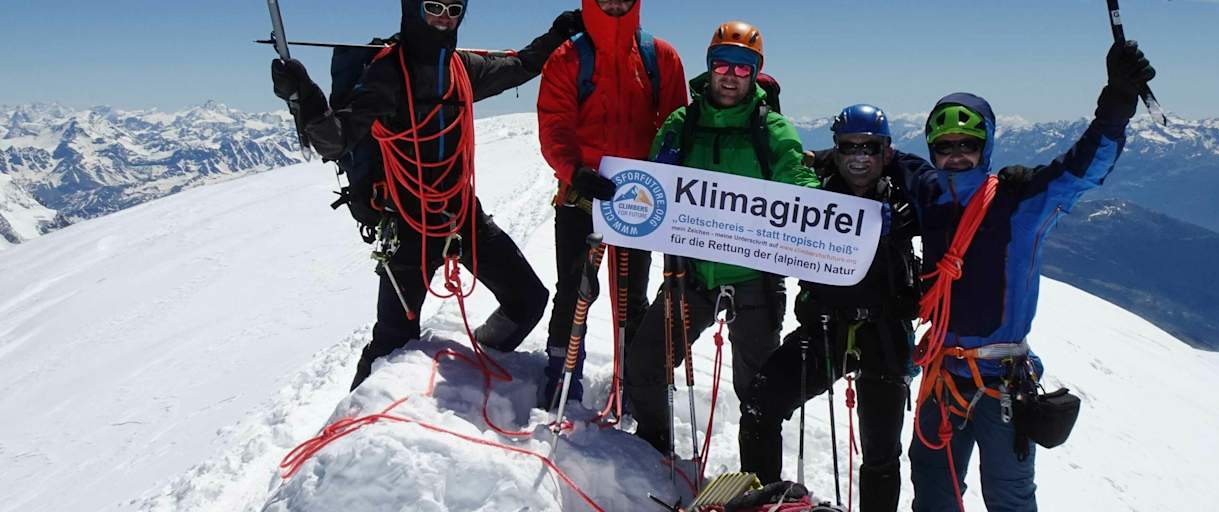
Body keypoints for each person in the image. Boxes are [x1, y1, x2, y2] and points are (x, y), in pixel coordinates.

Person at [269, 0, 585, 390]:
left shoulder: (462, 69)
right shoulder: (388, 73)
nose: (444, 17)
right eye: (434, 6)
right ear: (414, 8)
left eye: (454, 9)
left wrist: (557, 35)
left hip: (463, 216)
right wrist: (305, 96)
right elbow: (336, 140)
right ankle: (353, 420)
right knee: (390, 342)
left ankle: (481, 365)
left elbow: (521, 65)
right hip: (408, 228)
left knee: (528, 300)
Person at [903, 41, 1156, 511]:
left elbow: (1082, 168)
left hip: (999, 380)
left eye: (967, 145)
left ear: (986, 146)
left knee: (1009, 497)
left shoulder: (1019, 201)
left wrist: (1117, 100)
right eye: (944, 146)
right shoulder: (927, 191)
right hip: (945, 377)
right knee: (934, 492)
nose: (955, 155)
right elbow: (881, 158)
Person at [624, 21, 819, 456]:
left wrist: (828, 210)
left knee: (759, 391)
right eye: (723, 65)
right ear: (710, 67)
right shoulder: (683, 123)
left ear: (755, 73)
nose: (731, 75)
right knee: (645, 365)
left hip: (754, 278)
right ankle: (652, 453)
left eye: (743, 67)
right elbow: (653, 188)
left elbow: (796, 183)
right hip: (690, 274)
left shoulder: (773, 130)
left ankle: (759, 478)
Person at [739, 104, 924, 512]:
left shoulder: (906, 197)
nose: (859, 157)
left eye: (870, 147)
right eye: (849, 147)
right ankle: (762, 504)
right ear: (836, 150)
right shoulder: (817, 192)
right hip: (825, 329)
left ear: (886, 152)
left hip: (884, 335)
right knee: (760, 406)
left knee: (881, 452)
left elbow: (934, 187)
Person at [535, 0, 688, 408]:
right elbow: (554, 126)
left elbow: (676, 124)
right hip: (582, 197)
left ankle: (634, 387)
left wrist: (666, 169)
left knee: (632, 298)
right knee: (574, 291)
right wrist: (575, 171)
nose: (616, 4)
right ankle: (562, 378)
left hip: (639, 202)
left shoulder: (660, 57)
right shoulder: (567, 58)